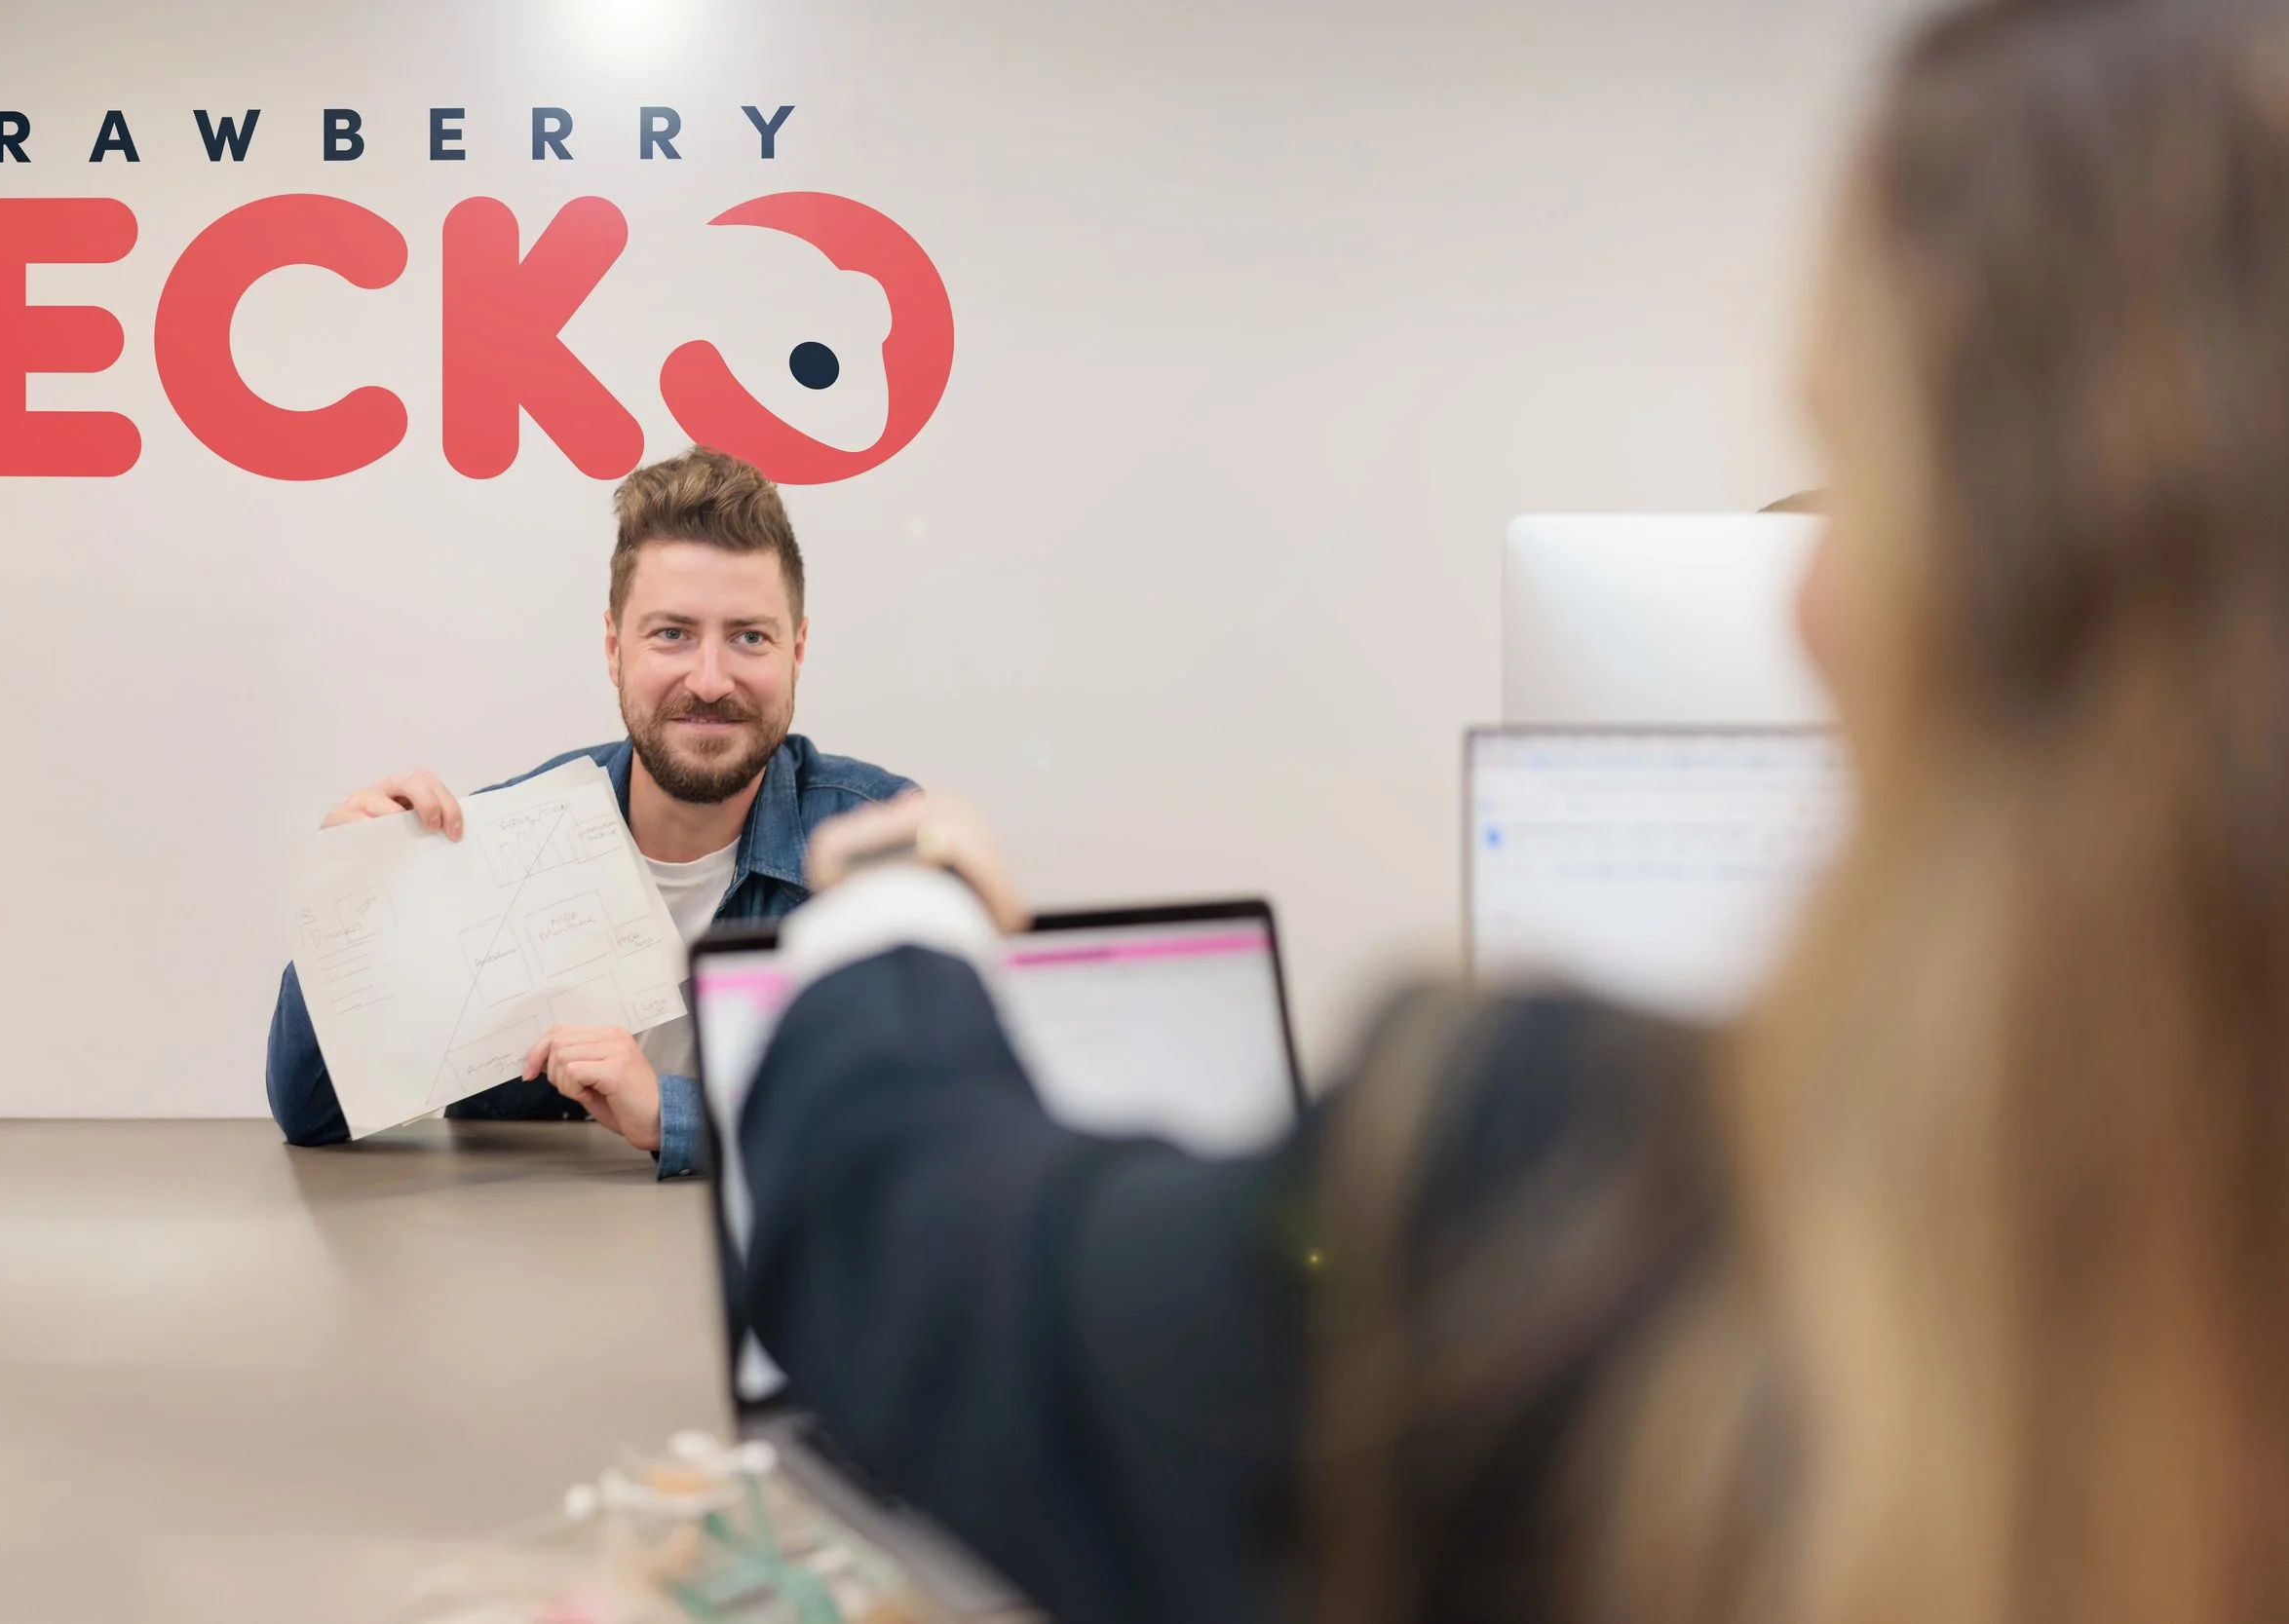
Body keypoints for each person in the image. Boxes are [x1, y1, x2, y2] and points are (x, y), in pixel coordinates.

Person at [731, 4, 2289, 1623]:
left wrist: (900, 904)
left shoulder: (1578, 1214)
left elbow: (943, 1267)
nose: (1805, 590)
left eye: (1857, 463)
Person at [266, 447, 912, 1174]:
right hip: (537, 1270)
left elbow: (927, 1120)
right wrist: (351, 911)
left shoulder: (879, 845)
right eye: (672, 633)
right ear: (614, 649)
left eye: (749, 637)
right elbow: (312, 1116)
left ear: (797, 650)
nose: (708, 678)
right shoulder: (501, 843)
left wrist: (671, 1111)